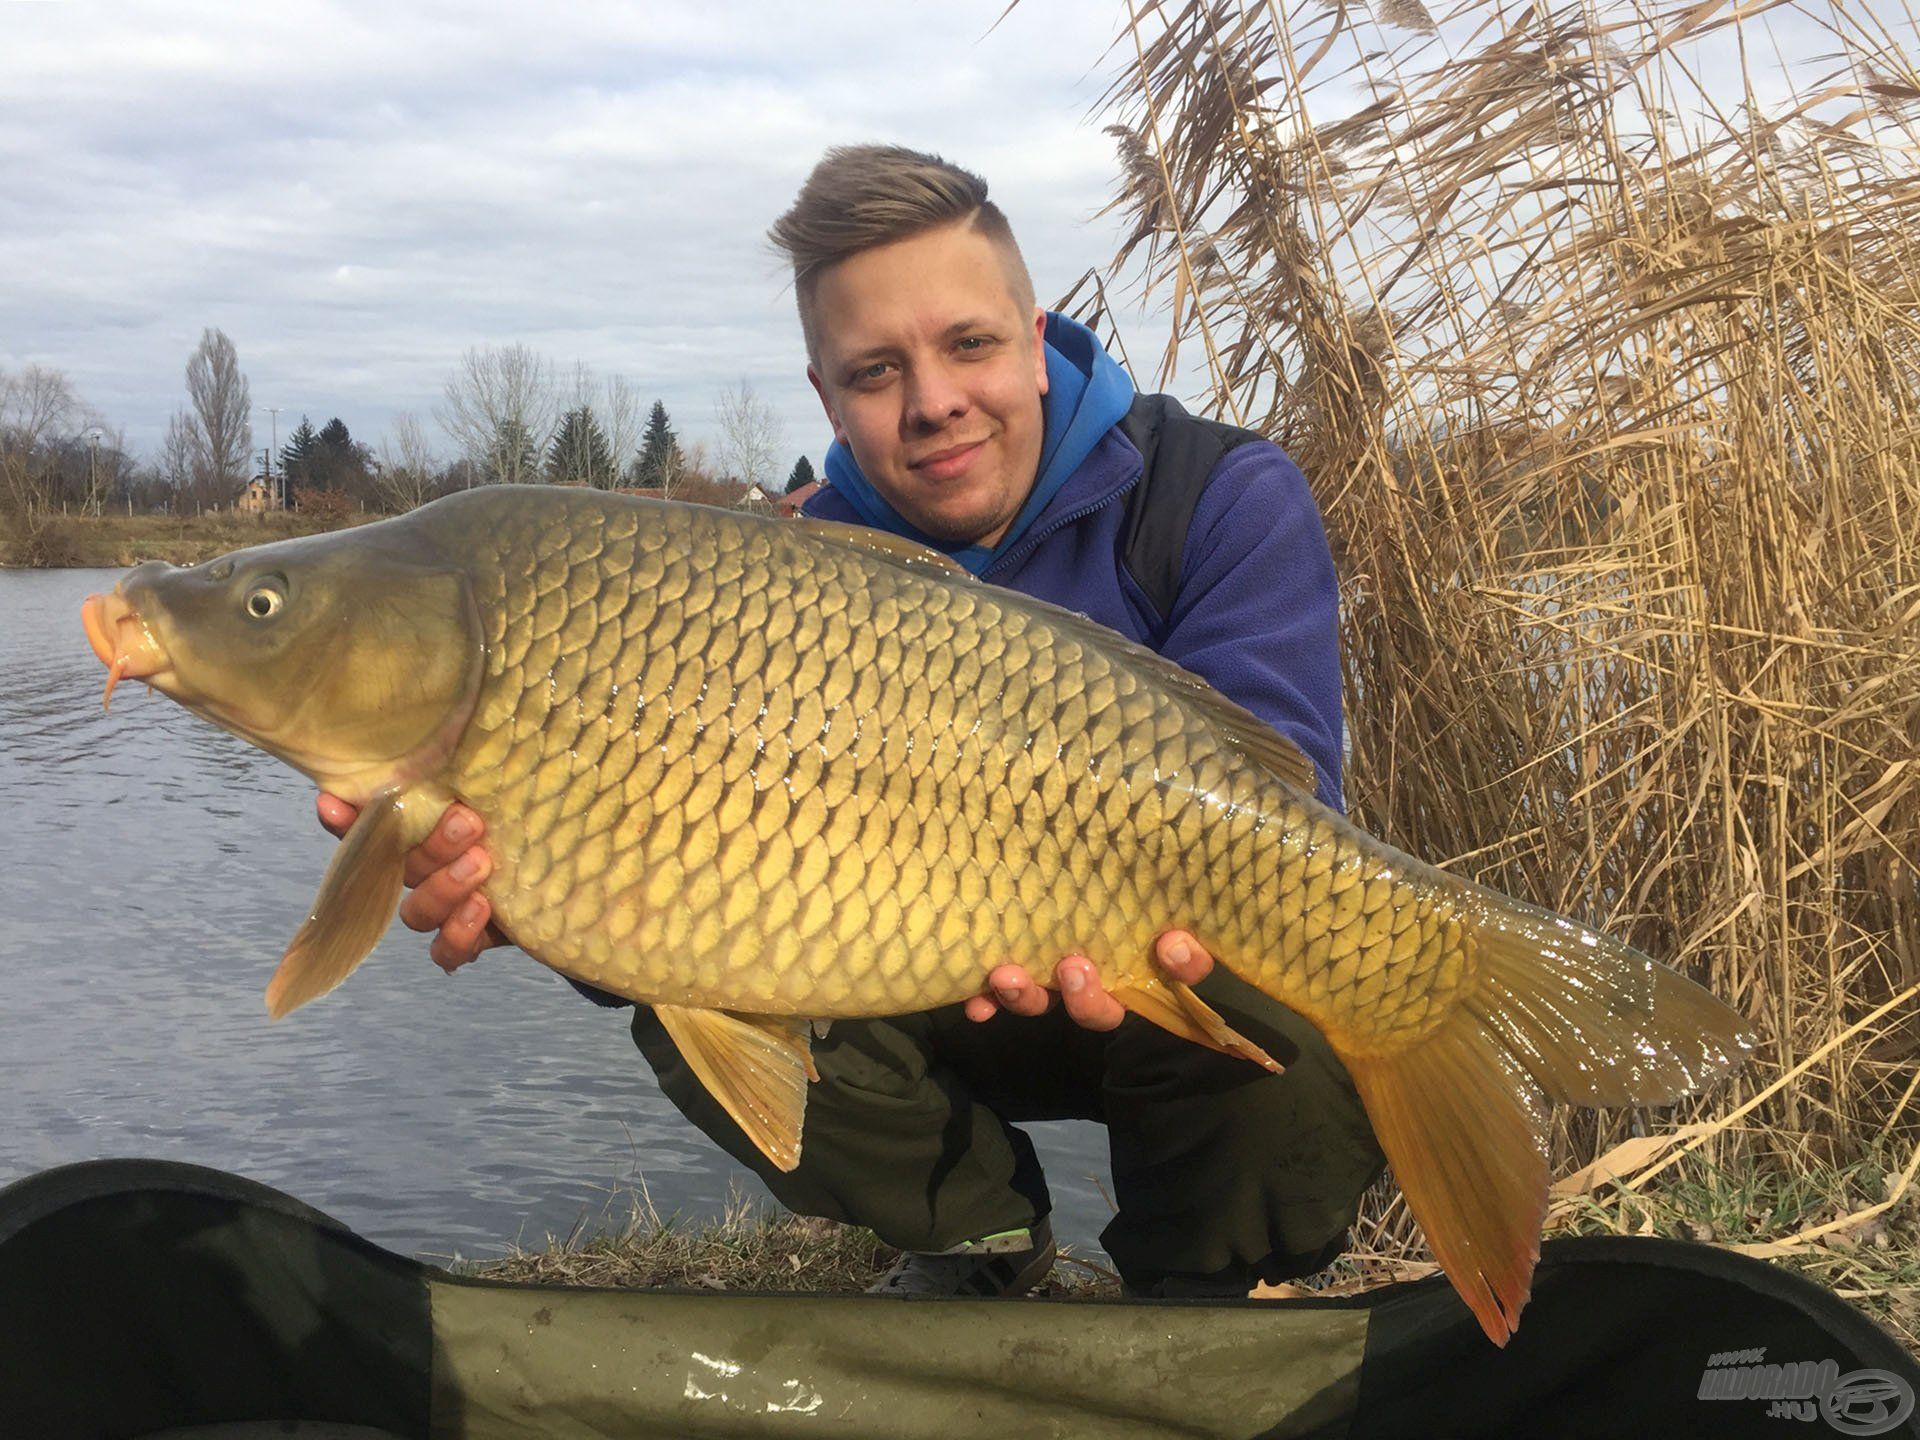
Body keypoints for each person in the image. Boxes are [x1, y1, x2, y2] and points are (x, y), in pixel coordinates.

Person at [320, 144, 1383, 1301]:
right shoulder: (763, 574)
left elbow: (1287, 815)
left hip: (1154, 954)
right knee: (695, 998)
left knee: (1297, 995)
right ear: (825, 396)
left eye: (969, 345)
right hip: (903, 981)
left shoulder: (1218, 495)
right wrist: (526, 889)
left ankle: (1204, 1295)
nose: (933, 403)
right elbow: (676, 867)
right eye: (876, 372)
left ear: (1036, 341)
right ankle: (979, 1243)